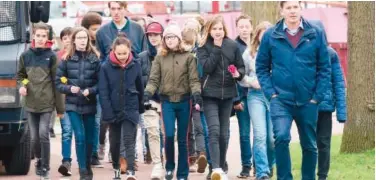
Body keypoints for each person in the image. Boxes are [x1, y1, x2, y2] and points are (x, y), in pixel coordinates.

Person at [255, 1, 331, 180]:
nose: (292, 11)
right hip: (281, 100)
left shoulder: (315, 33)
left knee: (310, 145)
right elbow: (261, 67)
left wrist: (317, 97)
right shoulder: (270, 35)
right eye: (288, 8)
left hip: (308, 100)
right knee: (280, 138)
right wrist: (271, 94)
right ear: (281, 11)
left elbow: (324, 67)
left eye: (295, 7)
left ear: (300, 9)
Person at [144, 24, 202, 180]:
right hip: (167, 102)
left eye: (172, 37)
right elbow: (154, 79)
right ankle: (169, 168)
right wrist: (147, 92)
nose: (169, 40)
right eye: (167, 37)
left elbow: (194, 79)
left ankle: (183, 173)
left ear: (179, 39)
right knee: (169, 135)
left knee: (182, 139)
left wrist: (196, 94)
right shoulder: (159, 57)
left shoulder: (189, 57)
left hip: (184, 102)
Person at [197, 15, 245, 180]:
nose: (218, 32)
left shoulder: (232, 45)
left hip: (228, 95)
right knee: (214, 131)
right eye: (214, 29)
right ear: (209, 31)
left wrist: (239, 74)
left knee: (224, 134)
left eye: (220, 29)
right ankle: (215, 168)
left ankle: (221, 164)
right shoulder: (203, 47)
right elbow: (207, 68)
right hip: (210, 95)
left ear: (224, 29)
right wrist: (216, 48)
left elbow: (241, 66)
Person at [17, 22, 65, 180]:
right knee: (33, 138)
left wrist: (60, 109)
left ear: (48, 38)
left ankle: (45, 166)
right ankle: (38, 159)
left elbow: (57, 82)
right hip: (30, 103)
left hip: (47, 103)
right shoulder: (25, 56)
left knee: (44, 134)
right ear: (33, 36)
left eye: (44, 36)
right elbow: (21, 76)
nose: (40, 39)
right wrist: (23, 86)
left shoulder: (51, 57)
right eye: (38, 35)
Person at [56, 27, 101, 180]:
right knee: (80, 136)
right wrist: (69, 88)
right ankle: (82, 169)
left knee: (89, 138)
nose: (82, 40)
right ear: (74, 40)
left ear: (88, 40)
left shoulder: (95, 59)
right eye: (80, 38)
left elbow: (100, 83)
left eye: (85, 38)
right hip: (73, 104)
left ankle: (88, 165)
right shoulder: (66, 59)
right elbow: (58, 82)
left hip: (89, 103)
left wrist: (91, 90)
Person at [99, 33, 144, 180]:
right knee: (115, 142)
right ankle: (117, 171)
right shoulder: (106, 67)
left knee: (129, 139)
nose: (122, 56)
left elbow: (140, 87)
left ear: (130, 50)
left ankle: (131, 171)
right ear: (113, 51)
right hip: (113, 108)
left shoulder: (135, 65)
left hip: (131, 107)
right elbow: (103, 92)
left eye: (125, 53)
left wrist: (140, 106)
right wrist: (107, 112)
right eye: (119, 53)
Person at [310, 20, 347, 180]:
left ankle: (322, 176)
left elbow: (339, 82)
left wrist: (342, 112)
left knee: (324, 143)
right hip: (306, 107)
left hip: (325, 108)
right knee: (309, 144)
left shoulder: (331, 54)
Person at [240, 21, 275, 180]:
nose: (266, 35)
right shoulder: (249, 53)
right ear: (258, 35)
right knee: (260, 134)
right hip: (255, 96)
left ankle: (271, 164)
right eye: (263, 32)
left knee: (272, 138)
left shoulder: (279, 51)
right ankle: (262, 172)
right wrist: (250, 81)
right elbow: (240, 75)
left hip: (274, 97)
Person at [181, 20, 210, 175]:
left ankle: (200, 154)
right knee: (189, 128)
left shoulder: (201, 51)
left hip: (197, 94)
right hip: (185, 94)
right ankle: (193, 155)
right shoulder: (180, 52)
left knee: (197, 126)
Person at [138, 21, 165, 179]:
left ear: (162, 35)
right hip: (149, 101)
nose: (153, 38)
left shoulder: (169, 55)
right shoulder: (141, 57)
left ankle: (168, 162)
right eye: (150, 35)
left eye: (156, 34)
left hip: (168, 100)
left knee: (168, 134)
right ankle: (157, 164)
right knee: (152, 132)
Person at [81, 11, 104, 168]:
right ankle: (85, 153)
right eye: (94, 29)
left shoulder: (103, 43)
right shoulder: (81, 44)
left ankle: (94, 154)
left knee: (96, 122)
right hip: (83, 89)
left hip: (99, 89)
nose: (97, 32)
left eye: (99, 28)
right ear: (86, 29)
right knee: (82, 124)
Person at [233, 14, 254, 178]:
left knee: (263, 133)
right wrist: (236, 99)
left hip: (259, 94)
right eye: (241, 26)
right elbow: (231, 75)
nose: (244, 29)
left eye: (247, 26)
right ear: (237, 28)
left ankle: (263, 164)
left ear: (251, 27)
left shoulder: (258, 44)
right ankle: (246, 166)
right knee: (245, 133)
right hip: (242, 96)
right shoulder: (233, 47)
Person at [56, 26, 75, 177]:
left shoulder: (81, 56)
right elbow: (56, 81)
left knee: (82, 135)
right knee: (67, 132)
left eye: (71, 37)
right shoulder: (57, 57)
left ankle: (87, 160)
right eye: (65, 38)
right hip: (64, 101)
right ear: (61, 41)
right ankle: (66, 161)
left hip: (82, 101)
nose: (68, 41)